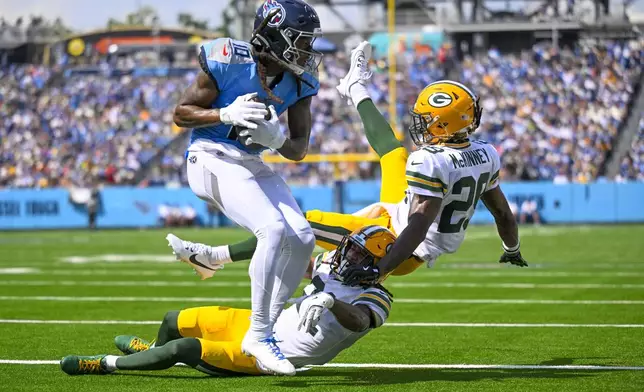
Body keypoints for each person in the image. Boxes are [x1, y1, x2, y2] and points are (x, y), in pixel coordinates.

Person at [178, 41, 528, 284]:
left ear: (445, 123)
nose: (421, 126)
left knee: (302, 224)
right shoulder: (486, 153)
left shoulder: (432, 162)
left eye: (428, 120)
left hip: (398, 242)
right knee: (394, 155)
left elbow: (417, 228)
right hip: (400, 218)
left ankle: (215, 256)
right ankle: (355, 87)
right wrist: (511, 248)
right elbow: (503, 215)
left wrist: (382, 269)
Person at [166, 0, 323, 375]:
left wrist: (275, 139)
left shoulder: (299, 80)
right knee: (271, 228)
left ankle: (264, 330)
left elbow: (298, 149)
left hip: (250, 161)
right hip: (208, 156)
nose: (306, 51)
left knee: (301, 237)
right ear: (272, 35)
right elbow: (180, 113)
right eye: (299, 41)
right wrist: (224, 113)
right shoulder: (227, 58)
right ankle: (260, 333)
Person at [60, 226, 396, 377]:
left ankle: (105, 364)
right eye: (348, 248)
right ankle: (149, 352)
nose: (346, 256)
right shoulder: (331, 267)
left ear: (373, 263)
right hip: (258, 324)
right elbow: (294, 257)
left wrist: (328, 301)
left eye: (356, 254)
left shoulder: (377, 295)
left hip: (267, 356)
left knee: (183, 349)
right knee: (173, 319)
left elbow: (361, 320)